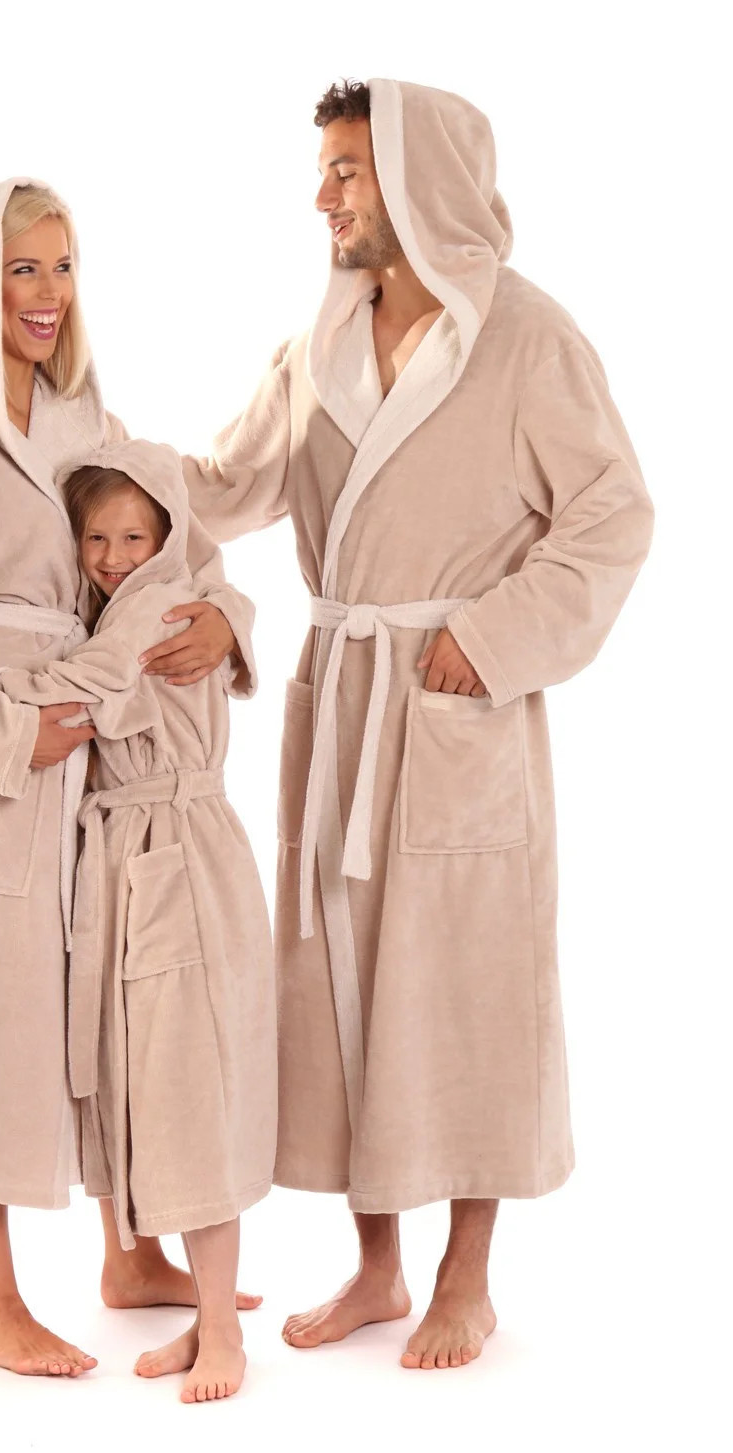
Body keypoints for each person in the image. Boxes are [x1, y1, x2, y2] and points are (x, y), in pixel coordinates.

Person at [149, 78, 654, 1370]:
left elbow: (613, 514)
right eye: (324, 168)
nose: (321, 195)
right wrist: (83, 449)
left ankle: (465, 1279)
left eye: (347, 170)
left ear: (418, 177)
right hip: (344, 696)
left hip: (453, 702)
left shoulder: (526, 337)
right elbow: (226, 485)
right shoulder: (320, 341)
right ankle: (376, 1267)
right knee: (341, 978)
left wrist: (489, 640)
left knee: (468, 978)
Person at [0, 178, 256, 1378]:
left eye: (63, 266)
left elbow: (178, 545)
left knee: (110, 1004)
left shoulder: (87, 419)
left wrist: (226, 622)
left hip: (100, 760)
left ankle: (131, 1255)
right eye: (21, 269)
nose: (47, 294)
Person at [0, 441, 276, 1402]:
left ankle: (221, 1330)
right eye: (96, 538)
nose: (114, 557)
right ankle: (135, 1267)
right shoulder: (116, 606)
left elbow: (86, 690)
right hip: (125, 853)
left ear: (168, 537)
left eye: (134, 537)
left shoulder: (158, 608)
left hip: (175, 853)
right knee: (124, 1071)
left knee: (189, 1083)